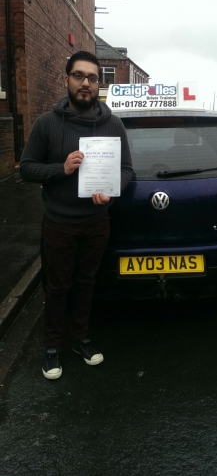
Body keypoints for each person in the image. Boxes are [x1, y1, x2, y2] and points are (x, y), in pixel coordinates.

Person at [19, 51, 133, 380]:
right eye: (79, 76)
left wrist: (113, 189)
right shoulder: (47, 124)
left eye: (93, 78)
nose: (86, 83)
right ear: (66, 79)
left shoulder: (113, 123)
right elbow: (26, 168)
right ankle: (52, 347)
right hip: (59, 223)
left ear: (99, 84)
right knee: (56, 287)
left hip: (97, 222)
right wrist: (61, 168)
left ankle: (80, 339)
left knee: (86, 284)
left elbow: (126, 169)